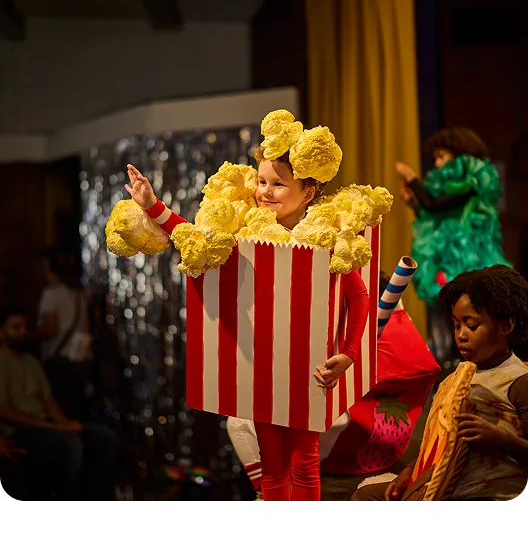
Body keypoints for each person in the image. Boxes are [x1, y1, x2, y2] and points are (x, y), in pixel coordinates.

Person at [123, 113, 375, 502]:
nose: (266, 192)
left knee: (303, 461)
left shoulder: (324, 239)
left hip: (307, 369)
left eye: (279, 184)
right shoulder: (243, 236)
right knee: (272, 464)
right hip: (259, 367)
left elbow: (358, 295)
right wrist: (153, 205)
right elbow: (193, 238)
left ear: (308, 193)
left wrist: (349, 353)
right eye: (261, 181)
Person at [227, 270, 440, 499]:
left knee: (243, 422)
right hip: (377, 439)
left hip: (354, 427)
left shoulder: (366, 318)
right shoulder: (386, 319)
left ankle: (269, 491)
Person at [351, 264, 528, 504]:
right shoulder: (458, 376)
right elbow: (439, 441)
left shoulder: (518, 381)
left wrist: (500, 438)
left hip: (489, 494)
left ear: (506, 326)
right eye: (456, 325)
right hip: (444, 484)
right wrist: (409, 472)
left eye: (472, 325)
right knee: (365, 497)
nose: (461, 335)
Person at [395, 127, 511, 369]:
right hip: (445, 254)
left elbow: (436, 205)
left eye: (441, 156)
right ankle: (445, 360)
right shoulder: (448, 184)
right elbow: (435, 213)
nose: (438, 164)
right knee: (442, 305)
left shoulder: (471, 178)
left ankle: (466, 359)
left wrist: (412, 177)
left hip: (466, 254)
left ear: (459, 153)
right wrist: (415, 205)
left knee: (466, 303)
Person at [0, 305, 118, 506]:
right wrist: (52, 427)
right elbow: (5, 411)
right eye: (15, 327)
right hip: (21, 429)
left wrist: (64, 422)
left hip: (45, 423)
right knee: (72, 445)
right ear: (2, 331)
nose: (23, 332)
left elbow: (48, 400)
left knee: (103, 436)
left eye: (25, 327)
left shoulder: (30, 360)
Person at [36, 247, 94, 421]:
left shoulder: (51, 294)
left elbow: (50, 329)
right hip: (79, 360)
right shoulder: (79, 294)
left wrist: (29, 335)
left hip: (59, 361)